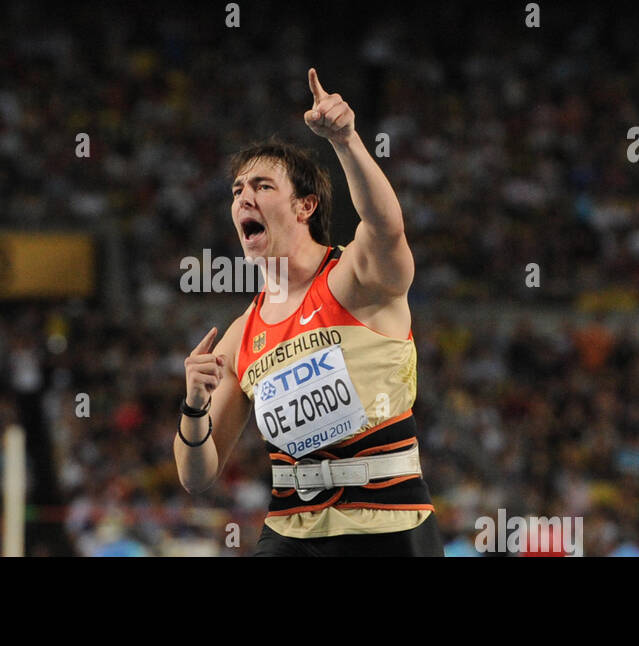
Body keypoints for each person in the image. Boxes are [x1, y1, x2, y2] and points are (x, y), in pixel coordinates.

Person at [173, 68, 441, 556]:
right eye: (236, 190)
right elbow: (198, 475)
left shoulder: (354, 278)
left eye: (262, 186)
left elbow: (386, 227)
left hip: (389, 525)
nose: (243, 197)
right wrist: (193, 406)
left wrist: (346, 141)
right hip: (292, 532)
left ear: (305, 206)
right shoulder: (239, 337)